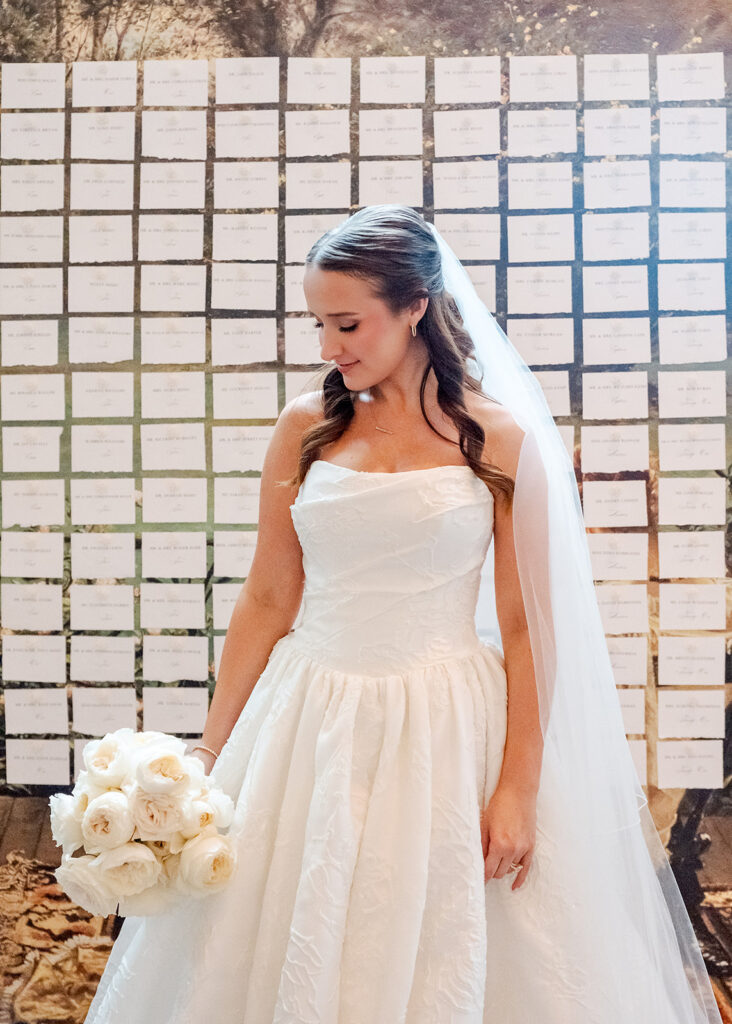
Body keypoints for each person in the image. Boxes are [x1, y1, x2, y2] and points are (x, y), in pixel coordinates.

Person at [84, 204, 723, 1023]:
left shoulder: (497, 438)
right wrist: (211, 746)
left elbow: (527, 625)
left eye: (347, 323)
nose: (328, 347)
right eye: (319, 323)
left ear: (416, 304)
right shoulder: (305, 428)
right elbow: (269, 597)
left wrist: (518, 787)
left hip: (446, 723)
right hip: (306, 716)